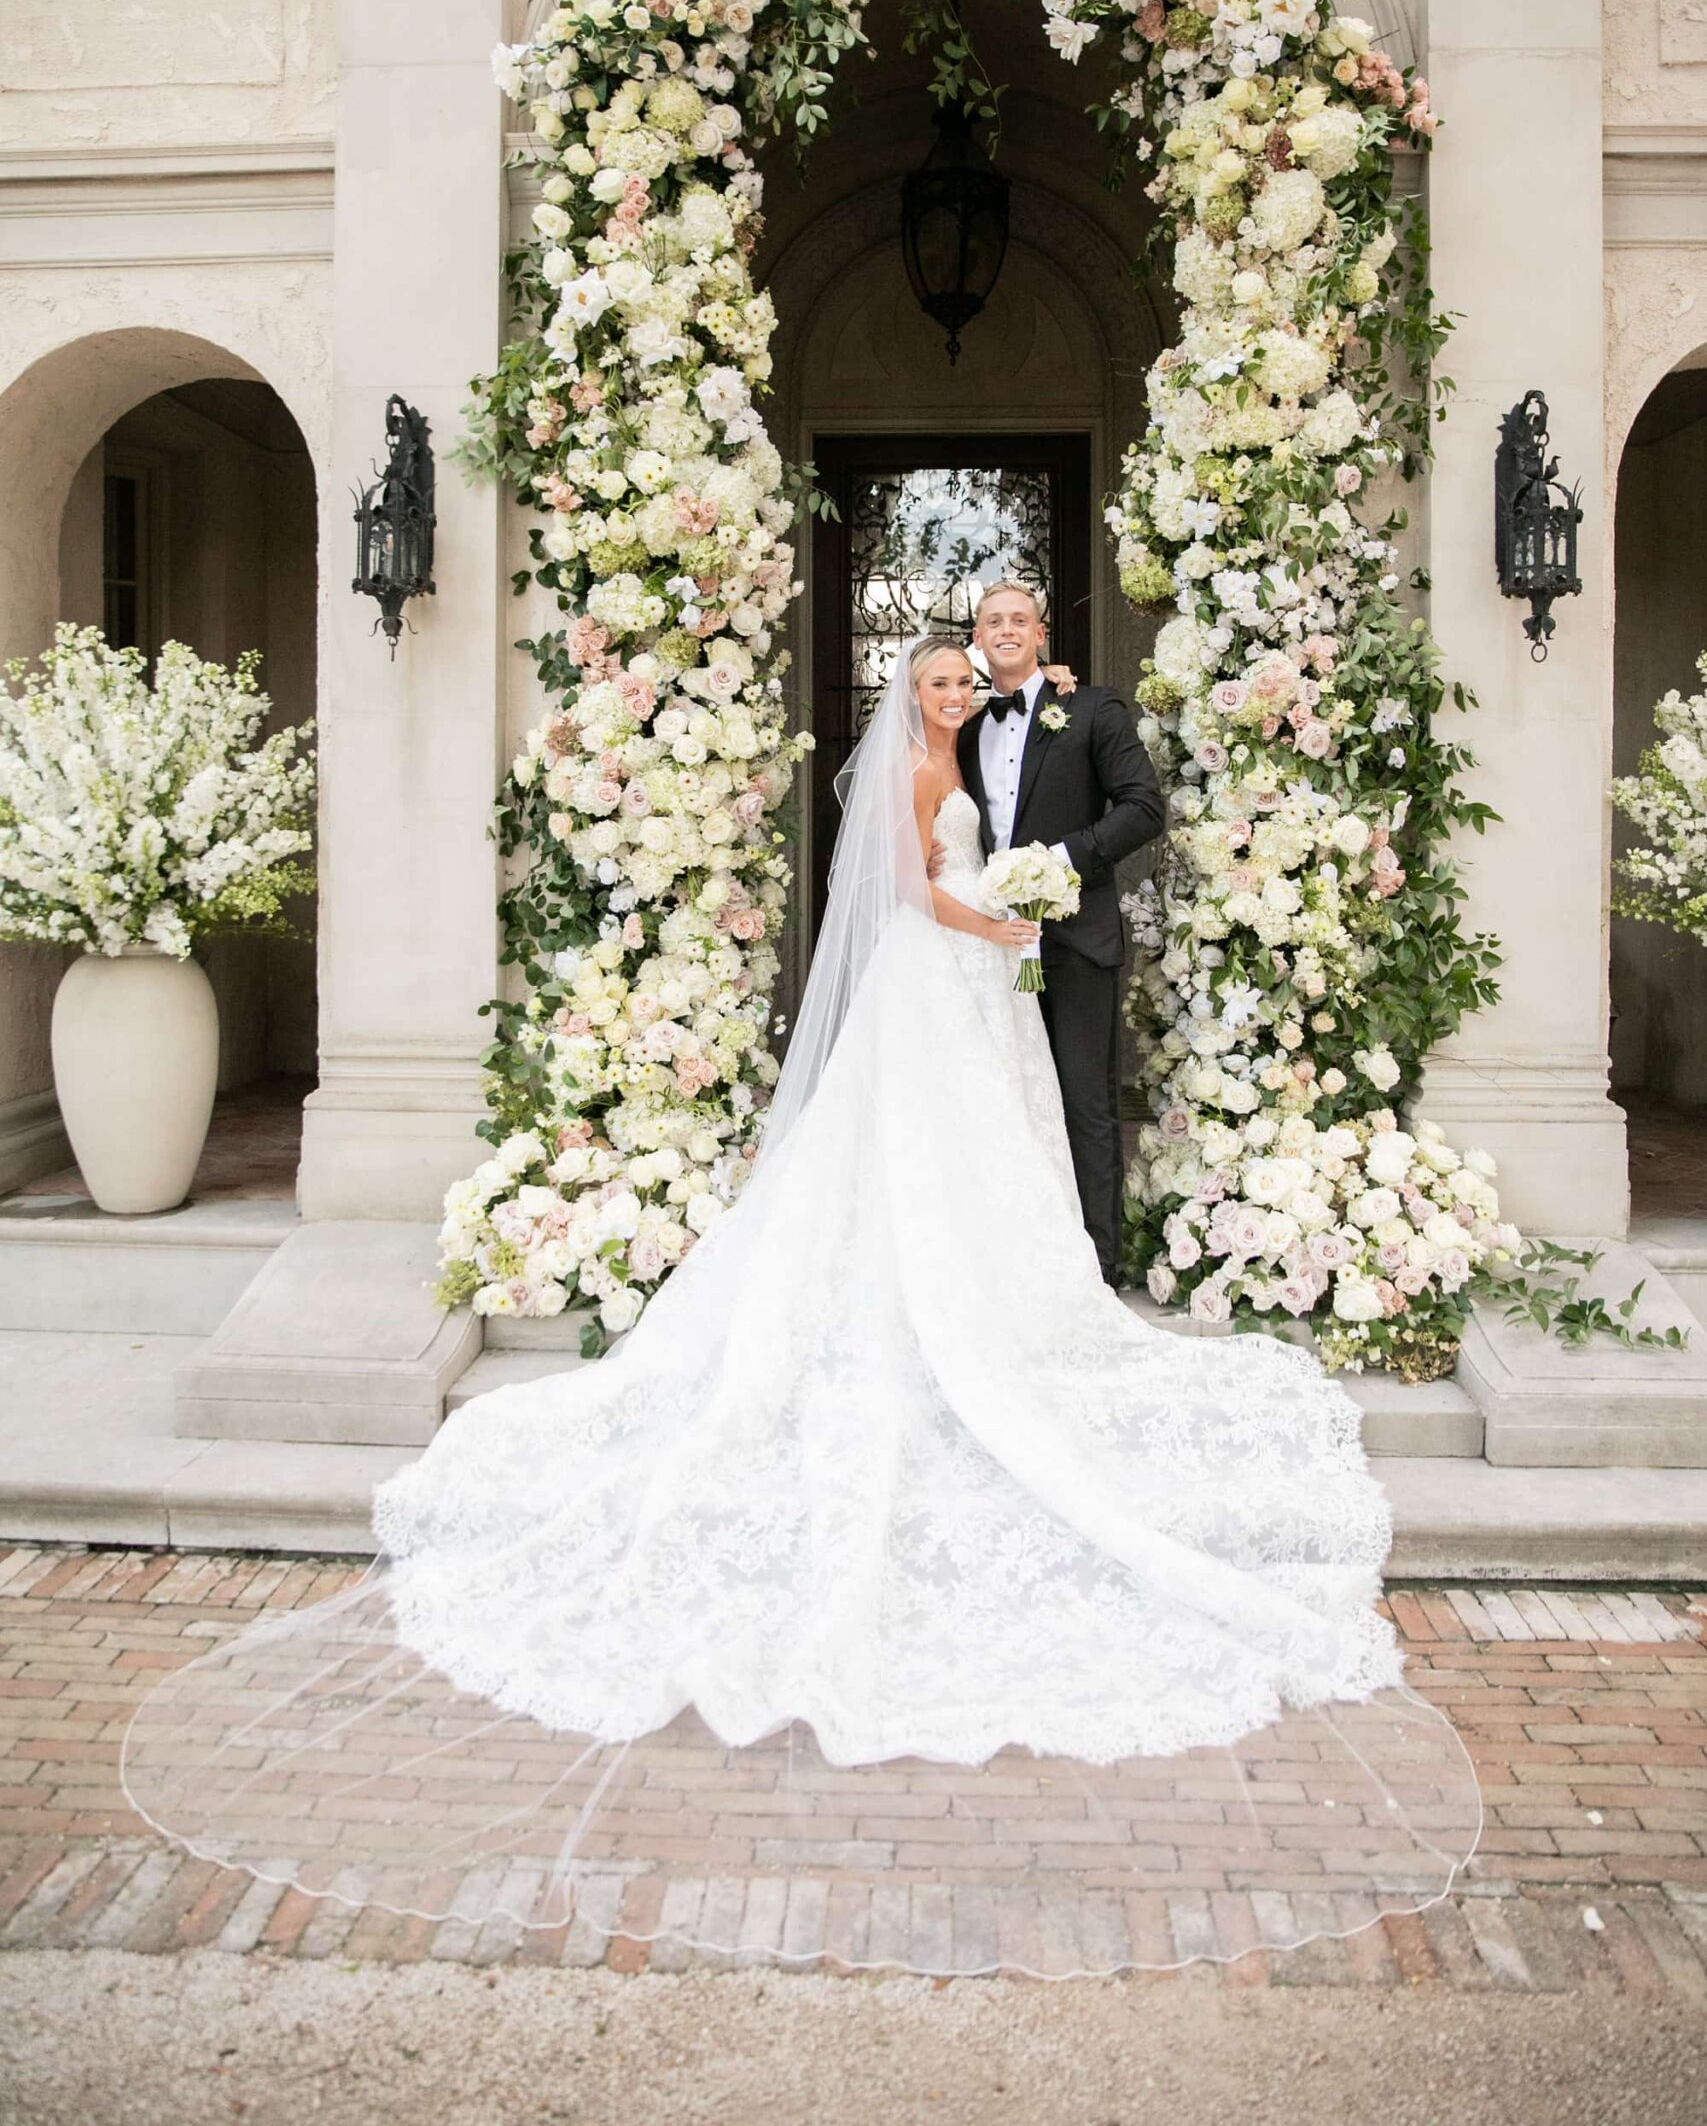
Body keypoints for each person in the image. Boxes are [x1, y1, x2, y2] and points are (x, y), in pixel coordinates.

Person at [122, 635, 1477, 1978]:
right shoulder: (901, 771)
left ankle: (1007, 1311)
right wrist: (996, 915)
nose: (953, 695)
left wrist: (1009, 885)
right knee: (904, 1167)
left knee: (989, 1162)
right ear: (913, 691)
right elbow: (904, 890)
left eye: (964, 681)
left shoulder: (1009, 734)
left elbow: (1045, 810)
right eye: (939, 682)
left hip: (978, 991)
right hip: (936, 976)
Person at [949, 584, 1164, 1279]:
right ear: (976, 641)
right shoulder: (965, 727)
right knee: (1006, 1105)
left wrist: (1058, 862)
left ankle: (1097, 1269)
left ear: (1041, 634)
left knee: (1084, 1105)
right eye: (992, 622)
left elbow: (1142, 808)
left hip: (1077, 939)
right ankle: (1020, 1267)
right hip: (992, 946)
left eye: (1018, 619)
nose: (1005, 630)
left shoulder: (1093, 707)